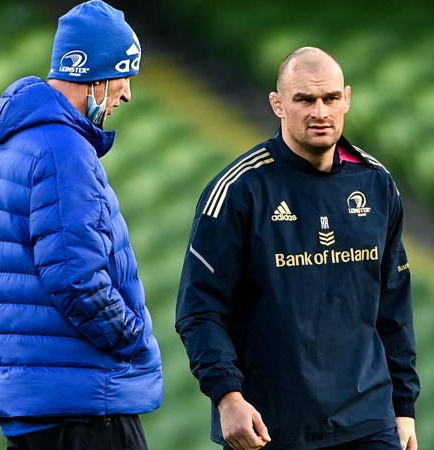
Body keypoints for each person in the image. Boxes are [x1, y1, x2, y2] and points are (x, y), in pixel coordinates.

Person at [175, 47, 419, 450]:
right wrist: (227, 396)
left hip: (367, 421)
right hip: (270, 428)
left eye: (331, 98)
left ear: (347, 99)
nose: (320, 112)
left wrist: (404, 406)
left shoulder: (377, 184)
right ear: (278, 104)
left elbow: (393, 308)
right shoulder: (238, 190)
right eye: (305, 99)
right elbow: (199, 309)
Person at [0, 2, 162, 449]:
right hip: (85, 404)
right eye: (124, 76)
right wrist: (132, 338)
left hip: (32, 405)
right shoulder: (65, 151)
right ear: (95, 76)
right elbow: (76, 279)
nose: (127, 94)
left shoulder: (8, 147)